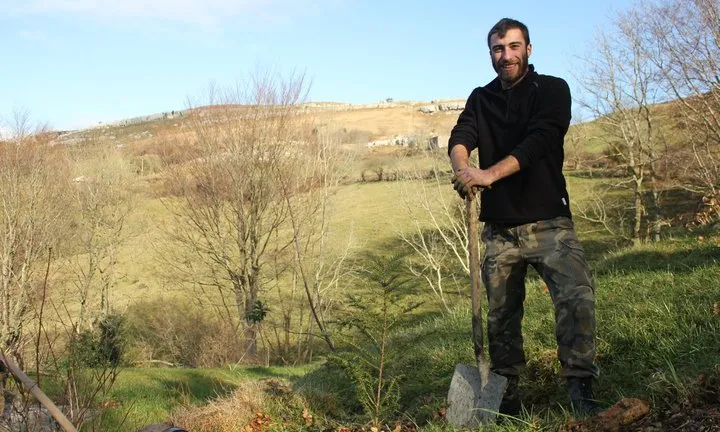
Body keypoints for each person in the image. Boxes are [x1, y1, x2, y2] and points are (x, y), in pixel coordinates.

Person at [448, 17, 600, 417]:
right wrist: (463, 168)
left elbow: (541, 140)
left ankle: (580, 386)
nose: (506, 55)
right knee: (500, 318)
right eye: (499, 48)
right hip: (499, 231)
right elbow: (461, 135)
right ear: (491, 53)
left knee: (576, 300)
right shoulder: (481, 98)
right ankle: (505, 397)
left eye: (514, 46)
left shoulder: (552, 90)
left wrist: (487, 174)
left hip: (549, 221)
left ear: (528, 49)